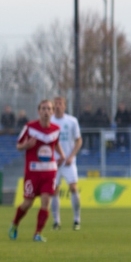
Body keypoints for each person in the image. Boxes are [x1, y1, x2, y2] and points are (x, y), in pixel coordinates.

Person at [9, 100, 65, 243]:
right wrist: (26, 145)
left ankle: (37, 233)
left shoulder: (56, 129)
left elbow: (55, 143)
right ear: (39, 111)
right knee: (28, 202)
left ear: (52, 112)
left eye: (49, 109)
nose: (46, 111)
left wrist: (62, 155)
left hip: (49, 171)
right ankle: (15, 224)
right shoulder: (29, 128)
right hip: (33, 171)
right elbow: (18, 146)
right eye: (43, 108)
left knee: (45, 202)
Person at [49, 97, 83, 231]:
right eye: (55, 104)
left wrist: (71, 156)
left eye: (60, 104)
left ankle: (77, 220)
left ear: (64, 106)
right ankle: (56, 222)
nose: (58, 106)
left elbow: (79, 141)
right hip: (54, 163)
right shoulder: (49, 121)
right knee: (54, 191)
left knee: (73, 188)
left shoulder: (72, 121)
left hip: (68, 162)